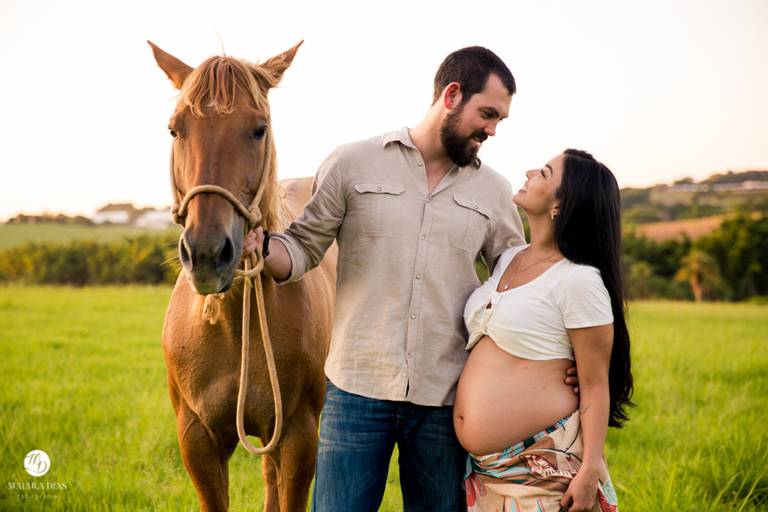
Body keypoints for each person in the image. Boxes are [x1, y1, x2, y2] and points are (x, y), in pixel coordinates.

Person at [246, 47, 575, 511]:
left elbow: (522, 286)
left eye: (500, 119)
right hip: (355, 393)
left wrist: (563, 356)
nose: (493, 130)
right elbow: (299, 249)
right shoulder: (352, 163)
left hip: (446, 403)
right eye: (487, 114)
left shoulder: (495, 192)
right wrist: (259, 248)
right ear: (452, 95)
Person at [453, 149, 633, 511]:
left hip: (543, 468)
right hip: (485, 475)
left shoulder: (579, 280)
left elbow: (596, 384)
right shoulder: (507, 259)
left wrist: (589, 471)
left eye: (545, 172)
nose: (530, 170)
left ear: (559, 206)